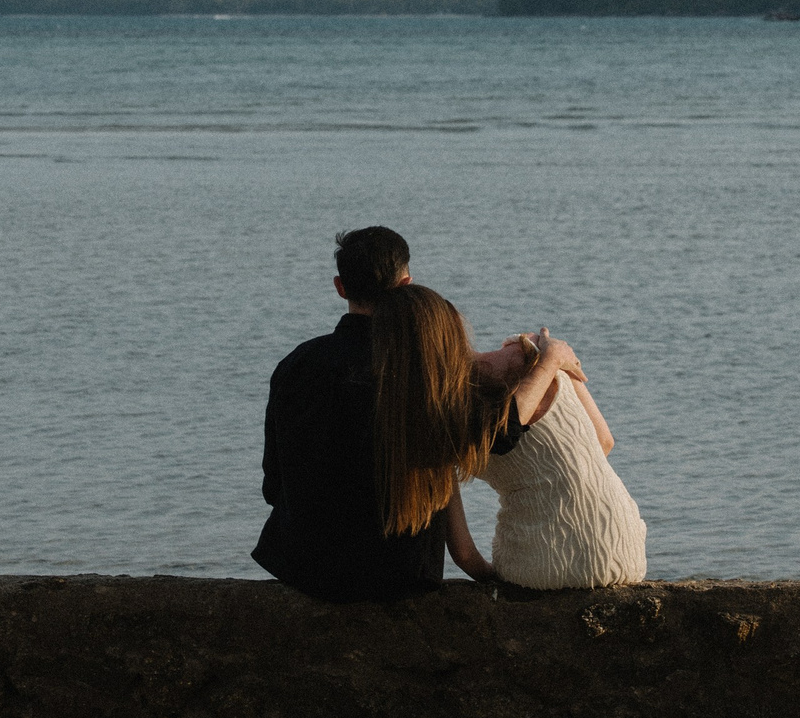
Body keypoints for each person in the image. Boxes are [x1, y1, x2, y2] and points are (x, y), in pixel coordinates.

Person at [363, 283, 644, 591]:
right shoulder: (534, 353)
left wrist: (493, 577)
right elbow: (603, 441)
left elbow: (464, 553)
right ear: (453, 323)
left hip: (537, 567)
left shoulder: (429, 424)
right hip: (623, 552)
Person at [253, 227, 468, 602]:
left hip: (309, 570)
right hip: (403, 571)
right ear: (405, 285)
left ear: (340, 287)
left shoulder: (297, 364)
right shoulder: (422, 367)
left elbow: (274, 483)